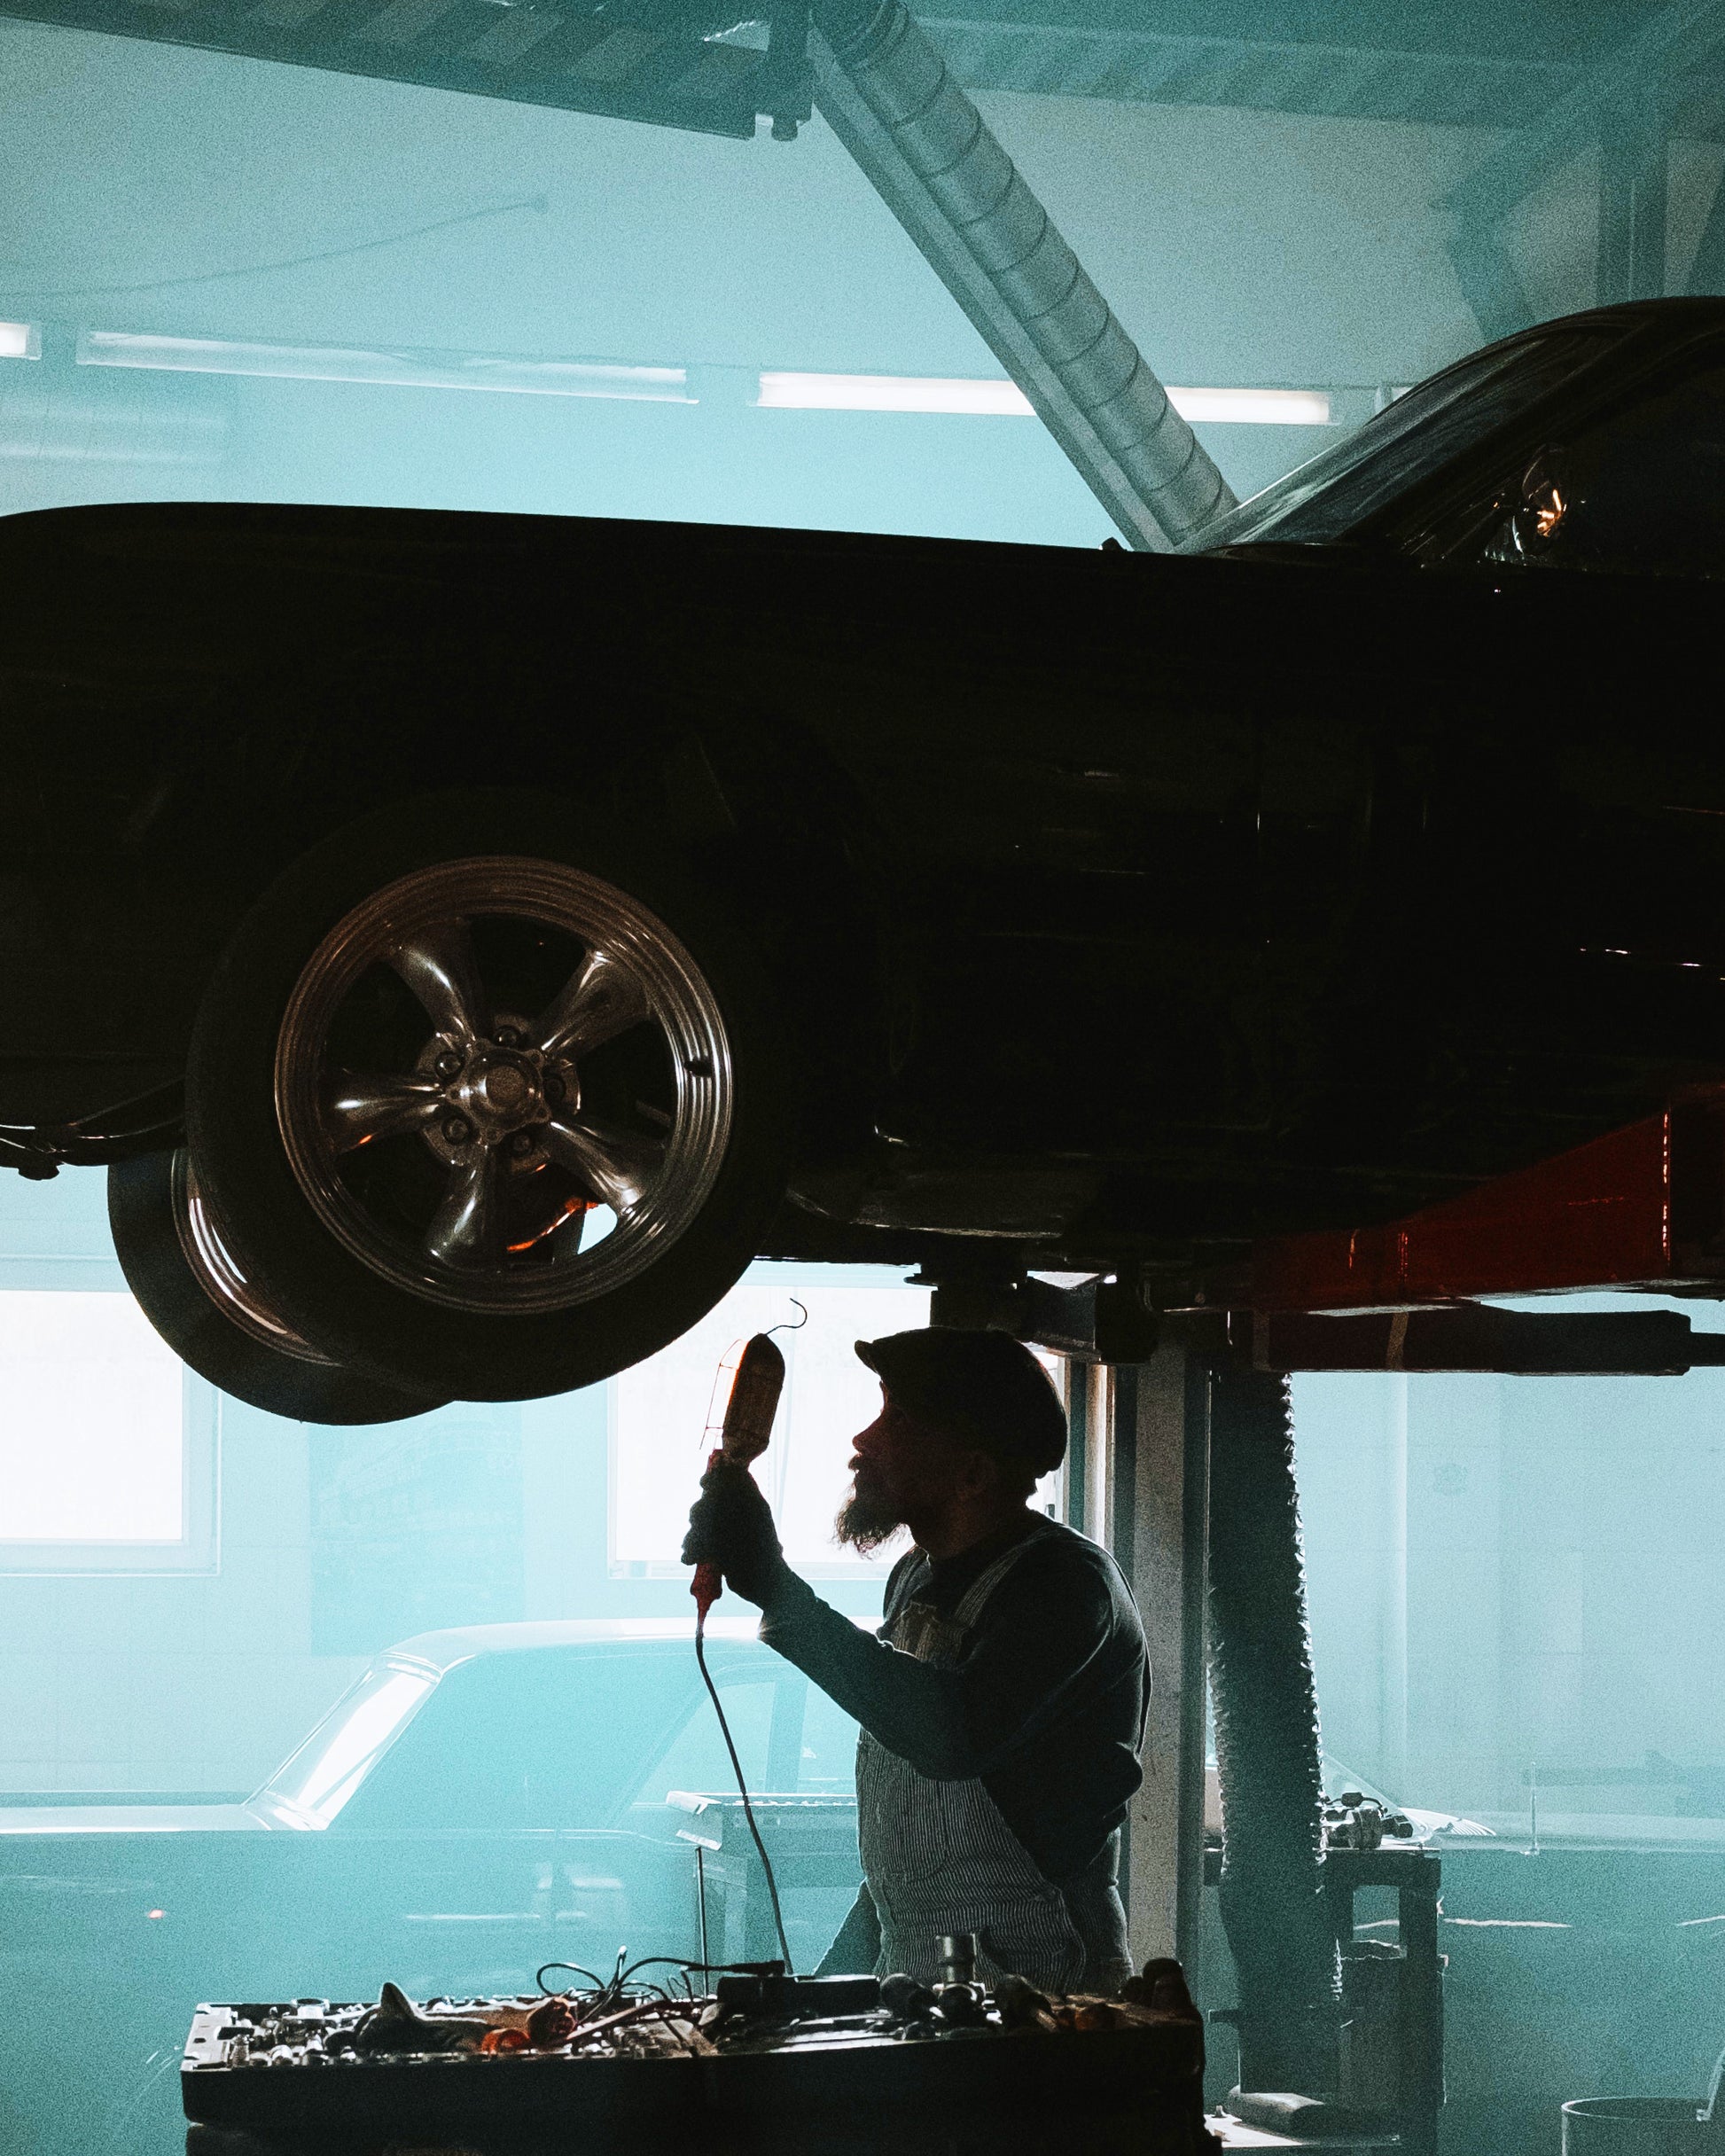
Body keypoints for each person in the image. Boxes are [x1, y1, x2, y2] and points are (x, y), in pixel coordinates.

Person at [681, 1325, 1150, 1994]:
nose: (863, 1440)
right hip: (925, 1990)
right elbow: (907, 1882)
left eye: (896, 1418)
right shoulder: (914, 1577)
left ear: (973, 1473)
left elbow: (954, 1735)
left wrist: (778, 1591)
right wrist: (820, 2003)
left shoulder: (1066, 1586)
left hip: (1045, 1998)